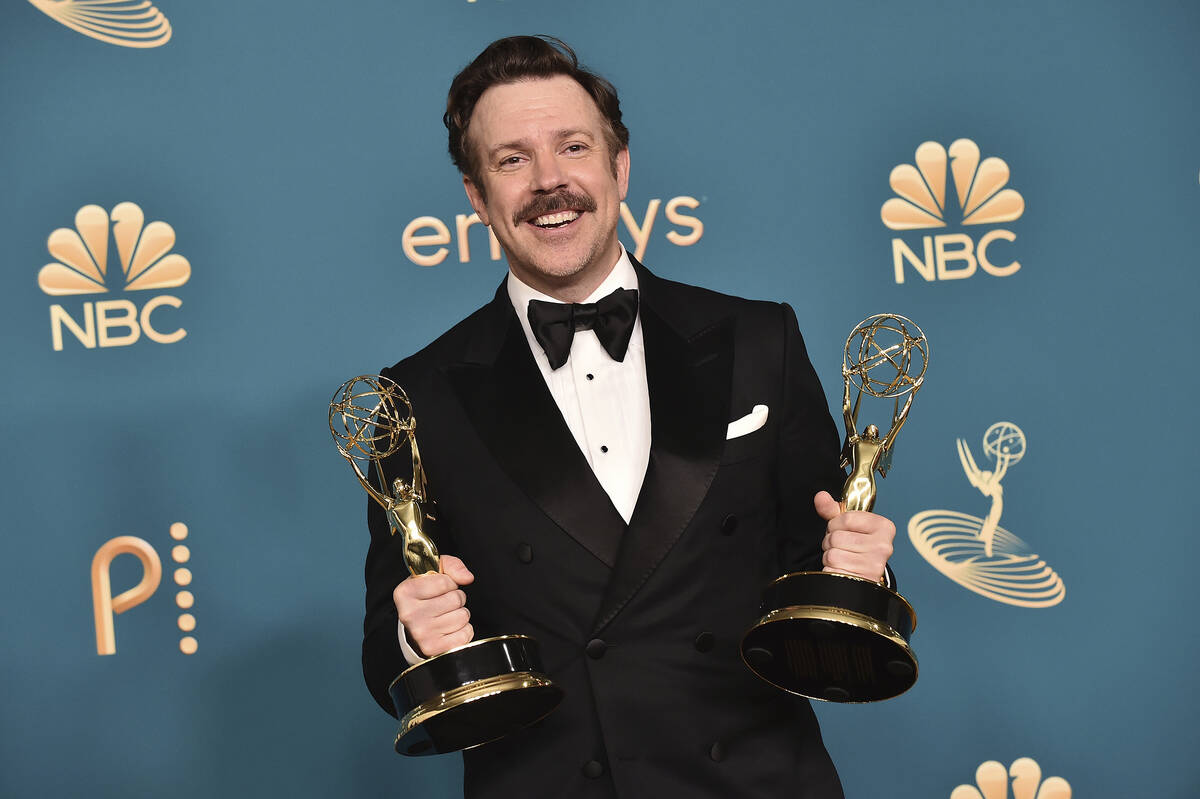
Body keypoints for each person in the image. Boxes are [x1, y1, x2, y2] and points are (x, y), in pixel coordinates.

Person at [361, 35, 897, 798]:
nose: (550, 182)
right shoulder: (415, 397)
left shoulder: (758, 340)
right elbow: (383, 653)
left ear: (619, 167)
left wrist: (855, 571)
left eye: (572, 147)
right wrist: (419, 635)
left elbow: (813, 566)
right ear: (477, 197)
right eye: (511, 159)